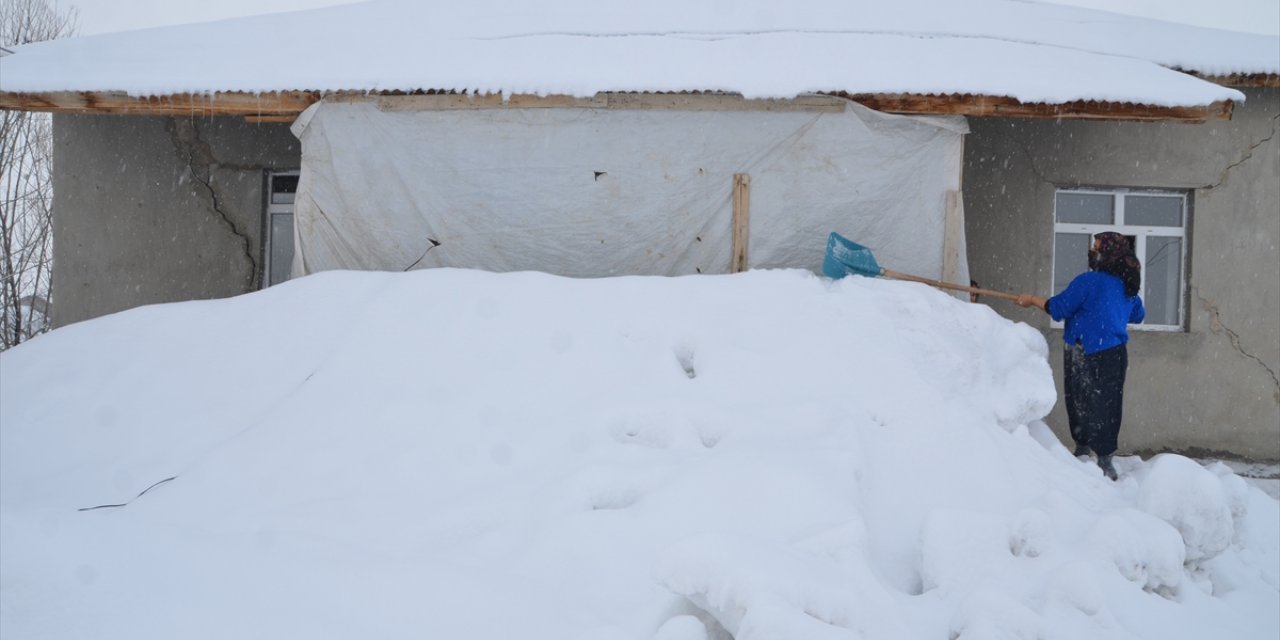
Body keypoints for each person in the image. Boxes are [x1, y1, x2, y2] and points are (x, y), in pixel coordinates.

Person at [1016, 232, 1145, 481]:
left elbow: (1059, 308)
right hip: (1115, 354)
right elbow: (1137, 315)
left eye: (1096, 248)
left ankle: (1083, 451)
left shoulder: (1088, 281)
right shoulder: (1126, 286)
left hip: (1084, 351)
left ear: (1107, 254)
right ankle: (1105, 460)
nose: (1092, 251)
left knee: (1080, 401)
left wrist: (1031, 300)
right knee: (1108, 405)